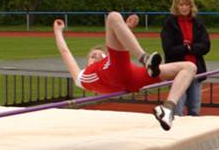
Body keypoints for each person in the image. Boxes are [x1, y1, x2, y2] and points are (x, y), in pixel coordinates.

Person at [53, 11, 196, 131]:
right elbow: (65, 52)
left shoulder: (108, 60)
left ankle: (168, 109)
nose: (96, 55)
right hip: (114, 73)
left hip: (131, 76)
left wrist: (126, 27)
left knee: (189, 67)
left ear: (105, 56)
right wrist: (58, 32)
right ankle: (145, 59)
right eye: (92, 55)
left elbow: (117, 50)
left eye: (98, 54)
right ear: (87, 62)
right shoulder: (82, 76)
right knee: (113, 17)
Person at [160, 0, 211, 116]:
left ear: (191, 5)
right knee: (178, 111)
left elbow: (206, 46)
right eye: (181, 4)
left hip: (196, 72)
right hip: (177, 72)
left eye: (187, 4)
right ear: (176, 6)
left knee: (194, 110)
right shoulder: (169, 23)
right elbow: (168, 49)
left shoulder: (198, 22)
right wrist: (186, 48)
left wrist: (189, 48)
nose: (184, 7)